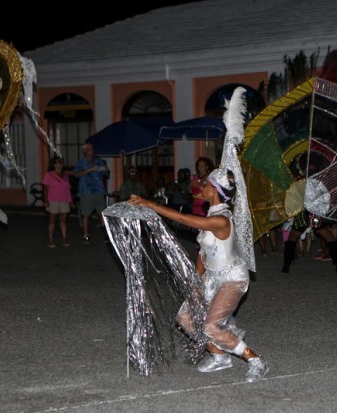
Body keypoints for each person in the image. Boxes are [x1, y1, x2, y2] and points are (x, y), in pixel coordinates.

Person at [129, 87, 268, 383]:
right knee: (185, 318)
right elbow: (204, 254)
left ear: (214, 191)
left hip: (232, 279)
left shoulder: (220, 220)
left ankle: (255, 361)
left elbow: (182, 219)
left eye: (205, 184)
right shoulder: (211, 218)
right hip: (212, 278)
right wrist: (196, 282)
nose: (200, 186)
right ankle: (219, 357)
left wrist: (150, 204)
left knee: (211, 326)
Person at [74, 143, 110, 245]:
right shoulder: (81, 162)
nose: (92, 150)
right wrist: (90, 169)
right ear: (85, 151)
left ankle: (106, 235)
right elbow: (76, 174)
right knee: (86, 214)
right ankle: (86, 235)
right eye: (90, 149)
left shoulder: (99, 161)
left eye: (92, 148)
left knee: (102, 213)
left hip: (99, 190)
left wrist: (106, 170)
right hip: (86, 191)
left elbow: (107, 175)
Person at [42, 156, 74, 247]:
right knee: (52, 220)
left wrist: (71, 201)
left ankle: (64, 239)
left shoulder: (65, 176)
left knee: (63, 220)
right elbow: (46, 189)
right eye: (58, 163)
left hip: (64, 200)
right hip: (53, 200)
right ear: (54, 164)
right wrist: (46, 200)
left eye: (61, 163)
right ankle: (51, 240)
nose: (60, 165)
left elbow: (68, 189)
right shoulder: (49, 175)